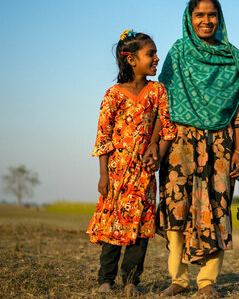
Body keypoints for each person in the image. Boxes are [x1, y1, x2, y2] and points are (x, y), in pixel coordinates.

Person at [156, 0, 239, 298]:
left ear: (220, 18)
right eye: (200, 15)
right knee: (177, 209)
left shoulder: (234, 57)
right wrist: (155, 146)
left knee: (217, 208)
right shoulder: (179, 53)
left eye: (212, 15)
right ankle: (178, 279)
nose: (206, 21)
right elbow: (163, 102)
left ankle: (208, 281)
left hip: (221, 146)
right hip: (180, 144)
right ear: (189, 18)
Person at [86, 30, 177, 296]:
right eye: (151, 54)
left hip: (145, 175)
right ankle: (105, 280)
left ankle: (131, 282)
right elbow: (103, 137)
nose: (157, 58)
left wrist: (156, 152)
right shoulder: (113, 94)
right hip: (117, 175)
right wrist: (103, 175)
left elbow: (167, 127)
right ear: (131, 60)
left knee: (141, 230)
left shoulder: (158, 90)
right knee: (112, 229)